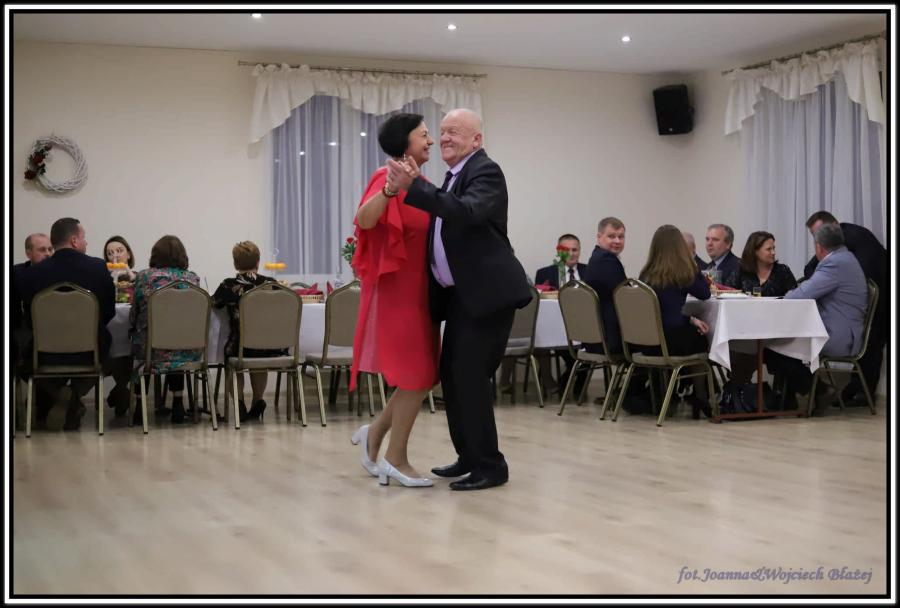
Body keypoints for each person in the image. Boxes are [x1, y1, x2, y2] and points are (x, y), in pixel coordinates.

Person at [387, 108, 532, 491]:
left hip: (487, 296)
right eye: (443, 132)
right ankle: (469, 456)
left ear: (476, 140)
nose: (445, 138)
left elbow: (468, 213)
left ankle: (490, 466)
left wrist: (414, 188)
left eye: (454, 132)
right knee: (453, 378)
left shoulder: (486, 171)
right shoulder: (453, 177)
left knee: (470, 378)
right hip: (462, 298)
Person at [349, 112, 440, 488]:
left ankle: (374, 435)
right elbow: (364, 221)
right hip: (397, 291)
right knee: (416, 375)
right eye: (424, 135)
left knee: (423, 375)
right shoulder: (386, 176)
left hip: (422, 289)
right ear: (405, 142)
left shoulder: (423, 183)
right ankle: (395, 458)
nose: (431, 141)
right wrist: (388, 191)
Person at [18, 218, 115, 431]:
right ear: (74, 240)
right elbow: (109, 312)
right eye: (84, 238)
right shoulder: (98, 268)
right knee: (111, 353)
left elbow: (28, 318)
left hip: (44, 353)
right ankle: (73, 396)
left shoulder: (32, 274)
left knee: (23, 361)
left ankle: (60, 393)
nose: (86, 242)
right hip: (90, 352)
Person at [765, 223, 868, 416]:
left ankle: (818, 390)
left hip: (837, 336)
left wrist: (787, 295)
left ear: (819, 246)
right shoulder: (846, 258)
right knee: (778, 343)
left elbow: (801, 294)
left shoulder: (834, 263)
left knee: (771, 344)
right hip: (845, 331)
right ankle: (799, 395)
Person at [803, 211, 886, 407]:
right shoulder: (834, 244)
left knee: (873, 340)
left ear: (835, 225)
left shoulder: (858, 237)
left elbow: (864, 273)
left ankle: (864, 392)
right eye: (814, 235)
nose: (818, 239)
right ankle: (854, 389)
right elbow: (810, 269)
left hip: (883, 291)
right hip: (863, 298)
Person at [637, 225, 713, 419]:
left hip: (648, 343)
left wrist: (689, 319)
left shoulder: (645, 274)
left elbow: (663, 312)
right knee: (701, 339)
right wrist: (692, 264)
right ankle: (700, 396)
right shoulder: (682, 273)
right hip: (670, 343)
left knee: (689, 331)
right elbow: (705, 294)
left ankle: (665, 396)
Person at [130, 235, 201, 424]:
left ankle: (139, 407)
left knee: (143, 348)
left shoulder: (144, 277)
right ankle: (178, 403)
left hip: (150, 349)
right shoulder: (192, 279)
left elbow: (134, 313)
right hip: (186, 348)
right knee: (176, 343)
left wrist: (133, 327)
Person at [213, 241, 286, 422]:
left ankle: (239, 403)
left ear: (235, 263)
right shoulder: (271, 284)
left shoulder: (228, 285)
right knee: (259, 357)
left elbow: (214, 304)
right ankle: (257, 400)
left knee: (232, 360)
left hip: (240, 346)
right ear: (258, 262)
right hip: (268, 345)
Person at [725, 231, 797, 297]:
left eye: (773, 248)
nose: (773, 252)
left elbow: (795, 297)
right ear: (755, 251)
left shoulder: (783, 271)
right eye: (768, 249)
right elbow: (727, 295)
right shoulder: (741, 270)